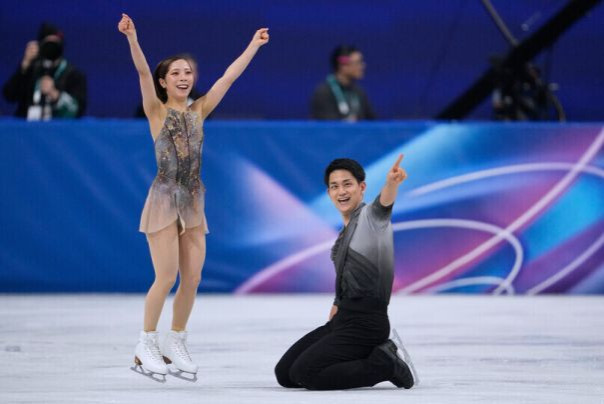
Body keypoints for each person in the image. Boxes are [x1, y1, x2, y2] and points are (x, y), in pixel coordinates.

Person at [118, 13, 269, 380]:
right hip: (163, 199)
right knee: (165, 277)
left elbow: (228, 78)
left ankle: (176, 340)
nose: (184, 77)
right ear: (164, 82)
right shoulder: (156, 111)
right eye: (175, 73)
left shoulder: (199, 110)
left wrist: (253, 45)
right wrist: (133, 38)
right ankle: (146, 342)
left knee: (193, 278)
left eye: (187, 72)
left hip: (193, 202)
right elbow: (141, 72)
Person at [275, 156, 418, 390]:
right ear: (329, 192)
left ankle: (385, 364)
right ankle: (372, 355)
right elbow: (348, 274)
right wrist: (337, 302)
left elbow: (383, 205)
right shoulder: (344, 232)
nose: (341, 191)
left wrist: (391, 183)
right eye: (335, 186)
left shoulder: (370, 219)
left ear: (362, 187)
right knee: (285, 374)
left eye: (347, 184)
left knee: (306, 373)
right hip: (343, 320)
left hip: (367, 324)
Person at [2, 22, 87, 120]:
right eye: (47, 45)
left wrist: (55, 95)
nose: (51, 49)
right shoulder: (30, 70)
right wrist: (24, 65)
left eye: (55, 45)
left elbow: (78, 111)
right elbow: (9, 96)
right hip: (27, 127)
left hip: (59, 128)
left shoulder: (74, 75)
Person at [310, 45, 375, 121]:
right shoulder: (323, 93)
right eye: (358, 62)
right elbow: (326, 124)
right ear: (343, 66)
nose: (362, 66)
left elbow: (373, 121)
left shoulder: (359, 92)